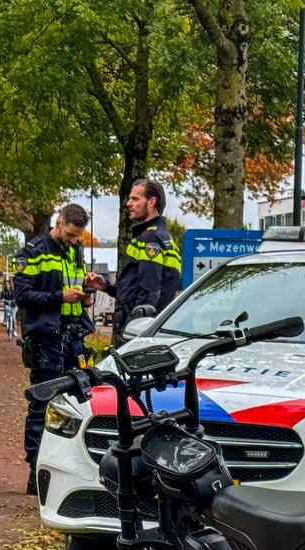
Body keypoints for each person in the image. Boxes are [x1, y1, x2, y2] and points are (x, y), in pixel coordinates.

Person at [13, 203, 92, 495]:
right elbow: (22, 295)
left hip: (73, 334)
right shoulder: (33, 250)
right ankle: (36, 471)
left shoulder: (76, 249)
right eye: (70, 234)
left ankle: (68, 468)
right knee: (43, 403)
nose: (74, 240)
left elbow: (74, 284)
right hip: (46, 337)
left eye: (78, 235)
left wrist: (84, 298)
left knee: (76, 403)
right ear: (58, 223)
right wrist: (60, 296)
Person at [86, 178, 181, 343]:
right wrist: (106, 287)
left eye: (135, 199)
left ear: (151, 202)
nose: (128, 203)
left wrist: (135, 333)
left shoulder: (150, 238)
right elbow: (136, 291)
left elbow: (149, 292)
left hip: (137, 331)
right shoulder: (165, 238)